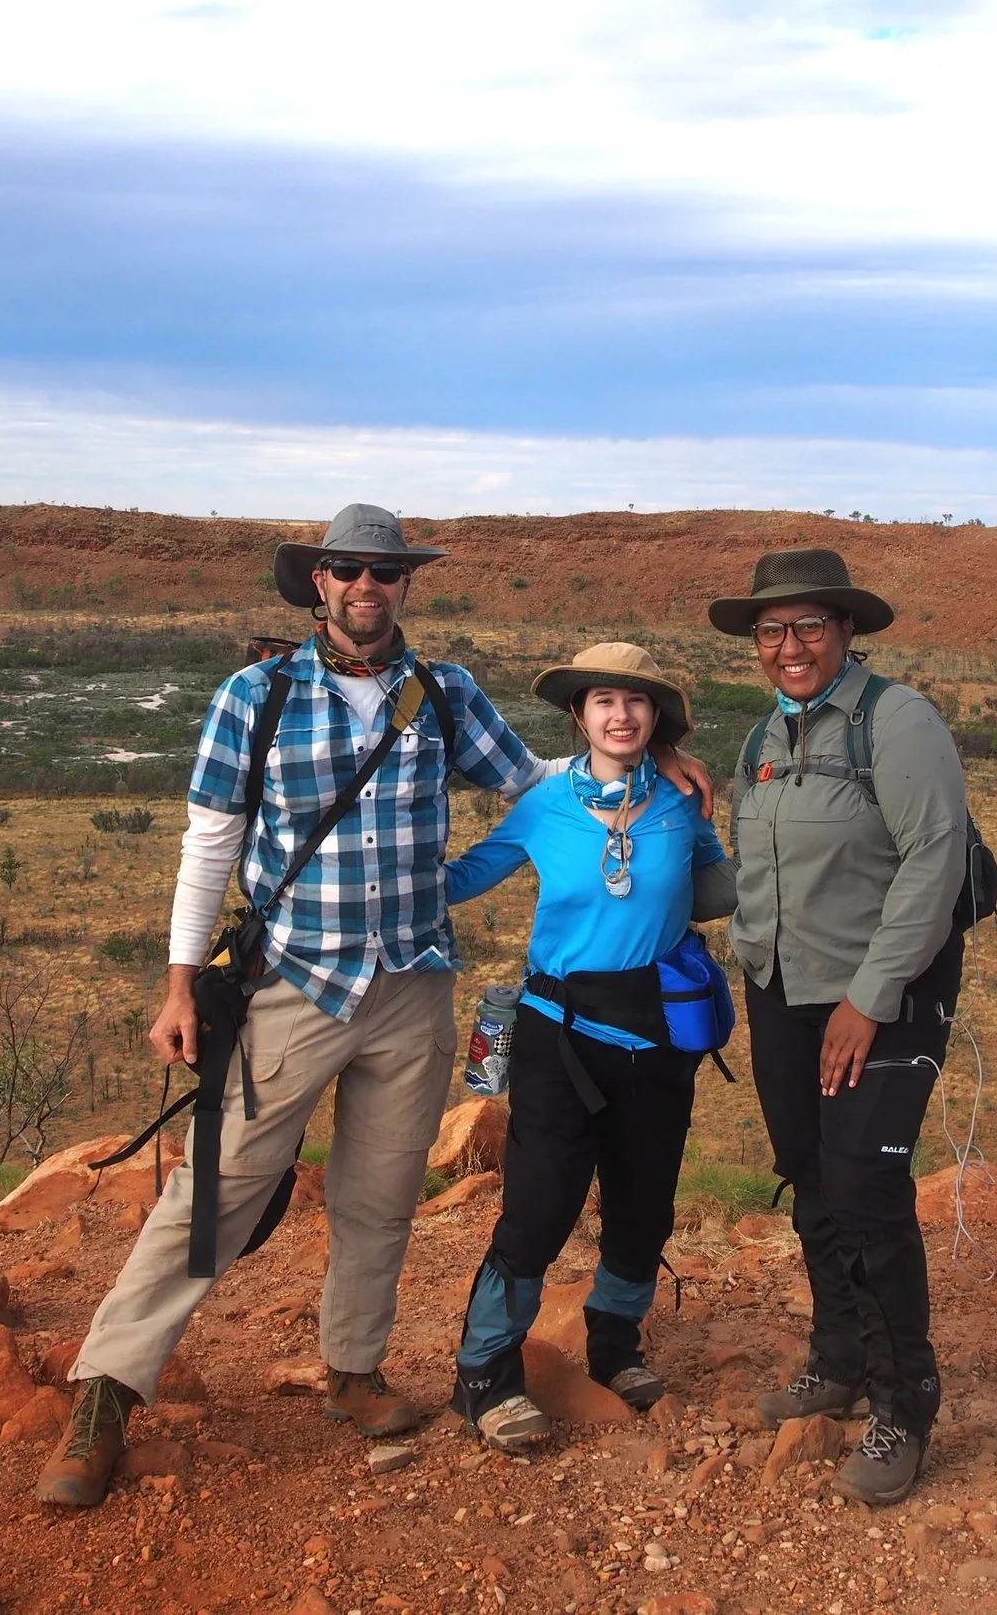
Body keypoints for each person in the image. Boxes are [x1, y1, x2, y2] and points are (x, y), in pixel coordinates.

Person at [36, 505, 709, 1508]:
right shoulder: (254, 697)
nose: (367, 586)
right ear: (318, 581)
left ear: (404, 585)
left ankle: (352, 1370)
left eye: (385, 573)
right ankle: (104, 1394)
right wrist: (179, 986)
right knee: (217, 1194)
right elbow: (209, 845)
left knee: (379, 1200)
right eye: (348, 569)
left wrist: (647, 768)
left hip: (411, 986)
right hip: (294, 986)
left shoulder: (443, 695)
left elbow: (535, 782)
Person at [712, 547, 971, 1507]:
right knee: (811, 1171)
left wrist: (868, 997)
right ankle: (840, 1353)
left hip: (883, 990)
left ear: (846, 631)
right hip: (782, 985)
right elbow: (751, 870)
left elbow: (934, 861)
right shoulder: (761, 741)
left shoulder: (895, 721)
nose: (789, 645)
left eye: (809, 626)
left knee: (866, 1180)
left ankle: (907, 1400)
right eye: (772, 630)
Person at [441, 644, 737, 1452]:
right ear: (579, 715)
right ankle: (485, 1374)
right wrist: (376, 874)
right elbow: (468, 875)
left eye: (638, 702)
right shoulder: (544, 803)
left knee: (643, 1206)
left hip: (656, 1034)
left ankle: (615, 1346)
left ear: (656, 720)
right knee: (538, 1210)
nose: (621, 715)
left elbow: (720, 887)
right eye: (604, 699)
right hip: (558, 1032)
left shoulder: (681, 802)